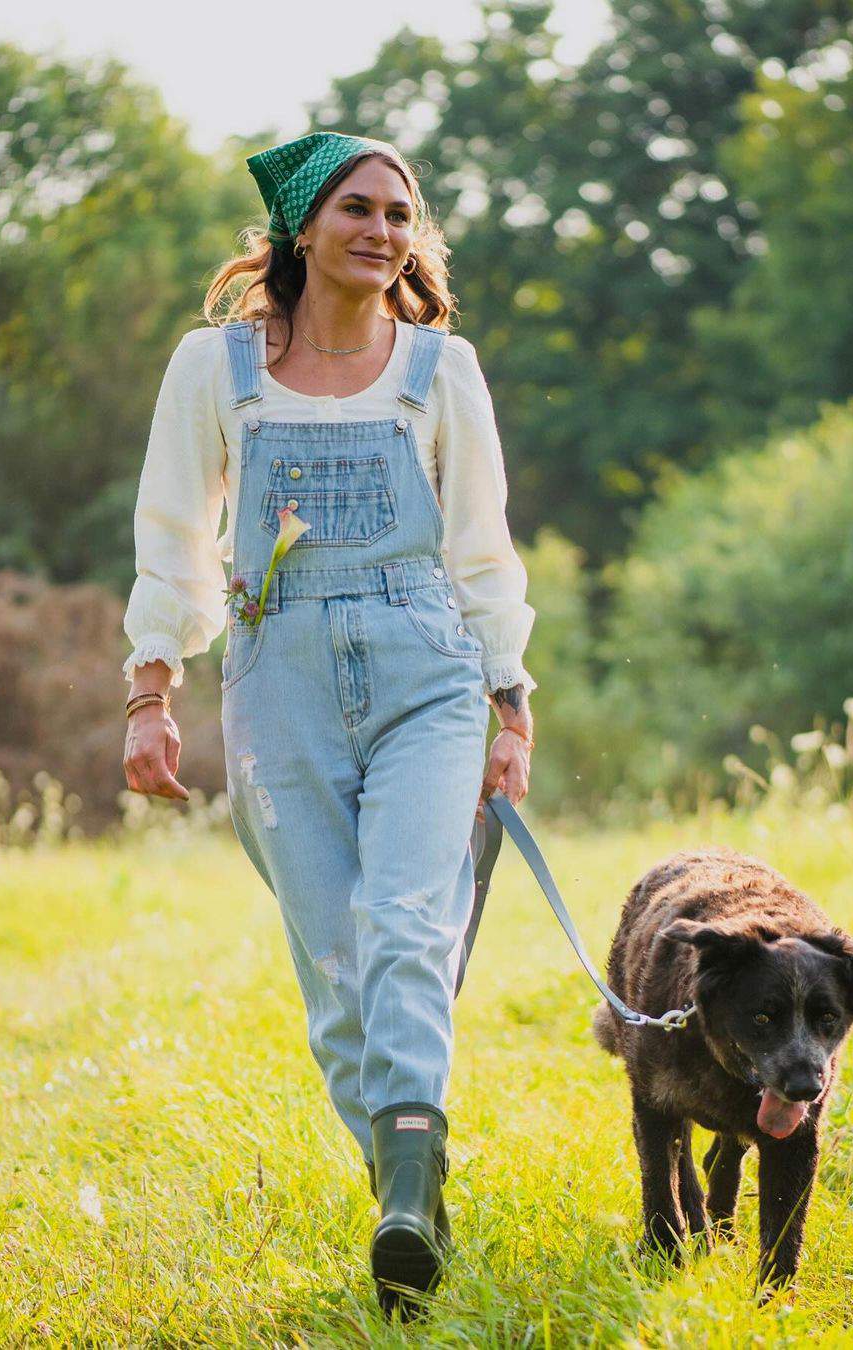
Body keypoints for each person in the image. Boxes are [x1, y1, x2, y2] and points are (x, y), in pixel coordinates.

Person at [120, 131, 537, 1317]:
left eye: (401, 215)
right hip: (275, 673)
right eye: (358, 209)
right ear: (303, 228)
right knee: (338, 967)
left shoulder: (440, 370)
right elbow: (173, 537)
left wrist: (511, 703)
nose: (383, 232)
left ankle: (406, 1180)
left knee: (407, 920)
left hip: (427, 668)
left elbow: (482, 547)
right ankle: (409, 1194)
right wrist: (152, 690)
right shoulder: (216, 370)